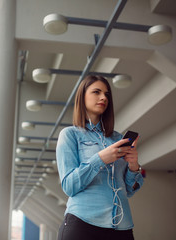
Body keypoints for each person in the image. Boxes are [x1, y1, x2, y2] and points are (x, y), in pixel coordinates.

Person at [56, 75, 144, 240]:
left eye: (106, 94)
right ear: (82, 97)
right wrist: (100, 159)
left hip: (122, 227)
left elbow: (129, 191)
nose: (103, 97)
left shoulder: (118, 139)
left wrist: (133, 166)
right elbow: (69, 186)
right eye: (96, 92)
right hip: (82, 225)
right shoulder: (70, 135)